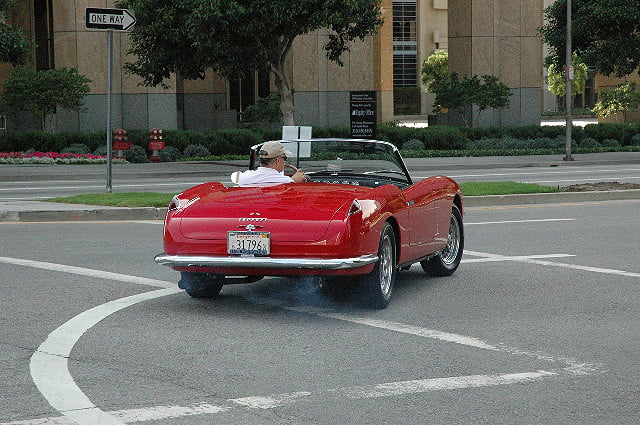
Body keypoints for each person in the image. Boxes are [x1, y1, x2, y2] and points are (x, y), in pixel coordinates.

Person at [234, 141, 307, 185]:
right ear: (278, 160)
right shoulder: (284, 181)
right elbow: (287, 180)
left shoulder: (244, 176)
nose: (285, 161)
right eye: (285, 158)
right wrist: (294, 179)